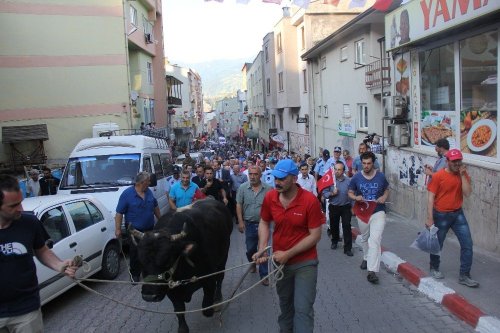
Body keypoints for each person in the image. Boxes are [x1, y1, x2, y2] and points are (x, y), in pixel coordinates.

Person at [254, 159, 324, 333]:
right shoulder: (270, 197)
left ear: (294, 178)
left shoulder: (310, 201)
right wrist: (262, 247)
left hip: (305, 263)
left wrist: (289, 253)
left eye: (282, 179)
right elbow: (264, 222)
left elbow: (315, 235)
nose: (277, 182)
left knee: (303, 308)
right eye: (275, 178)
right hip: (280, 263)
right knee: (285, 306)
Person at [0, 175, 78, 332]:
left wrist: (60, 265)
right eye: (13, 205)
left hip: (26, 309)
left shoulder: (30, 223)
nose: (20, 209)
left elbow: (42, 251)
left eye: (20, 202)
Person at [426, 149, 479, 287]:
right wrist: (430, 218)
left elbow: (467, 193)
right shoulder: (438, 176)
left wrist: (462, 175)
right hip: (441, 214)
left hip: (458, 214)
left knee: (467, 244)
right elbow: (431, 197)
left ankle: (464, 275)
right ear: (447, 161)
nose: (457, 163)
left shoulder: (462, 174)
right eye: (454, 161)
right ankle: (434, 267)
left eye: (459, 160)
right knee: (438, 244)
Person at [348, 152, 389, 284]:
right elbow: (350, 192)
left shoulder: (380, 176)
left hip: (378, 212)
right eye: (364, 163)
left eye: (368, 163)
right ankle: (366, 257)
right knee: (365, 238)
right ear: (361, 163)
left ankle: (372, 271)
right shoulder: (356, 178)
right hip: (363, 212)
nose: (366, 166)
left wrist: (384, 197)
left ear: (373, 163)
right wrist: (355, 198)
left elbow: (387, 189)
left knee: (375, 240)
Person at [115, 172, 160, 283]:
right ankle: (135, 274)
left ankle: (147, 272)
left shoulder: (148, 192)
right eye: (148, 181)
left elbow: (155, 206)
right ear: (142, 182)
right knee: (135, 253)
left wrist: (161, 219)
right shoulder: (127, 194)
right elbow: (119, 213)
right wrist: (118, 229)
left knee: (149, 251)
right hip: (134, 231)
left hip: (149, 228)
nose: (150, 183)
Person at [236, 166, 272, 284]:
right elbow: (239, 205)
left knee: (263, 249)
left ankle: (264, 275)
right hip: (249, 224)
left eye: (255, 174)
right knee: (250, 248)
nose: (252, 176)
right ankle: (252, 263)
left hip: (264, 224)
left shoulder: (268, 189)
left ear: (260, 175)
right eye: (250, 174)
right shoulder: (242, 188)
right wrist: (240, 221)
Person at [322, 162, 353, 255]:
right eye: (335, 169)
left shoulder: (348, 181)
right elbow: (325, 193)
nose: (337, 171)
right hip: (334, 206)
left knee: (347, 226)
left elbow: (352, 193)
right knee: (334, 225)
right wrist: (332, 193)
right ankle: (334, 241)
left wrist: (353, 206)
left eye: (339, 169)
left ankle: (347, 248)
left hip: (346, 207)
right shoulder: (330, 181)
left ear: (343, 171)